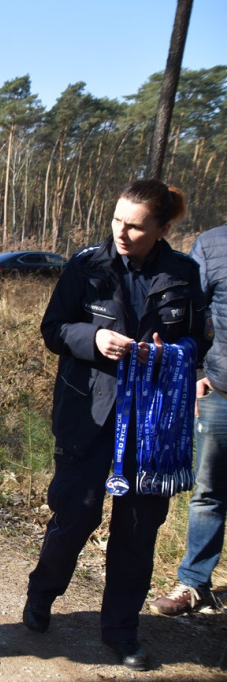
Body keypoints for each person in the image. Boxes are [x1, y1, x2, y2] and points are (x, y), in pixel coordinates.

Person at [22, 179, 209, 671]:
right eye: (117, 220)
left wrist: (169, 356)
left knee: (138, 529)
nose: (122, 233)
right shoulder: (86, 266)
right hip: (90, 415)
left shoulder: (184, 274)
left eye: (136, 226)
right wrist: (95, 337)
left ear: (163, 228)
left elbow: (197, 341)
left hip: (152, 424)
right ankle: (42, 594)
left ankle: (122, 630)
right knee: (76, 515)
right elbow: (53, 329)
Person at [150, 223, 227, 618]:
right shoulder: (212, 244)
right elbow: (198, 319)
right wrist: (197, 373)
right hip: (219, 394)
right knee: (208, 493)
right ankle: (195, 583)